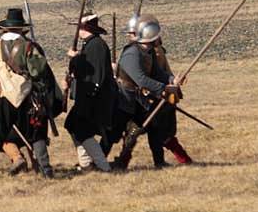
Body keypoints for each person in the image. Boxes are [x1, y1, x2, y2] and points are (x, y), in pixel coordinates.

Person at [0, 8, 62, 178]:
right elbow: (37, 72)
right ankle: (45, 169)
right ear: (21, 28)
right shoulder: (29, 46)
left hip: (2, 97)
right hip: (28, 97)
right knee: (36, 134)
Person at [108, 15, 183, 169]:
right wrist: (164, 88)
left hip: (141, 99)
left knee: (154, 128)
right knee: (120, 133)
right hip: (126, 98)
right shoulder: (132, 53)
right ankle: (104, 162)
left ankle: (159, 162)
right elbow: (141, 79)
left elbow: (156, 73)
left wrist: (171, 80)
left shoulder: (149, 52)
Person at [65, 14, 117, 172]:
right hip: (87, 96)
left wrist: (75, 59)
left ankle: (102, 166)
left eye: (79, 27)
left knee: (82, 130)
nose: (77, 30)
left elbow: (94, 74)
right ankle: (86, 163)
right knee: (72, 125)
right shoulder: (90, 44)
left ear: (85, 28)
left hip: (93, 97)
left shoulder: (96, 46)